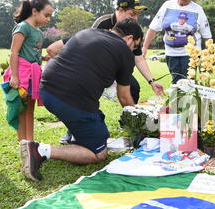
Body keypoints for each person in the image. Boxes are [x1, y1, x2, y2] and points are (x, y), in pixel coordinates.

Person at [19, 19, 142, 181]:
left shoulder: (87, 32)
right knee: (99, 153)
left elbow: (53, 49)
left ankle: (77, 136)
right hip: (72, 100)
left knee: (98, 122)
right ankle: (40, 150)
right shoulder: (125, 52)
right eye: (136, 46)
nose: (134, 50)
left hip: (47, 90)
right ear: (130, 38)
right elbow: (124, 97)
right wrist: (138, 125)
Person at [47, 0, 164, 144]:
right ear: (120, 10)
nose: (135, 18)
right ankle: (73, 130)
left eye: (137, 15)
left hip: (113, 68)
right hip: (93, 69)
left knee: (132, 87)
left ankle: (130, 123)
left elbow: (138, 57)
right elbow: (86, 45)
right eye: (132, 14)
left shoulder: (132, 31)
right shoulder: (103, 22)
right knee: (88, 89)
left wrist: (152, 81)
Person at [3, 0, 53, 141]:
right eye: (47, 15)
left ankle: (30, 143)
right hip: (22, 75)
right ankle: (23, 145)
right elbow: (14, 52)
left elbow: (33, 52)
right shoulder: (23, 27)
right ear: (34, 11)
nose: (48, 19)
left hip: (34, 75)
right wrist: (14, 76)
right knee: (21, 110)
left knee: (30, 110)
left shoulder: (38, 31)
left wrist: (43, 58)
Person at [143, 0, 212, 84]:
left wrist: (208, 58)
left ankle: (187, 100)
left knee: (188, 83)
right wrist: (144, 48)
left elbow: (206, 35)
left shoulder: (198, 10)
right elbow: (153, 27)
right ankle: (177, 100)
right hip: (171, 53)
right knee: (176, 82)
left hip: (191, 55)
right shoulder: (167, 5)